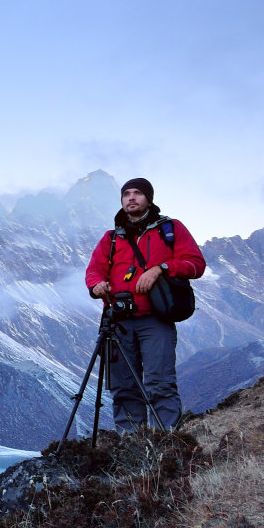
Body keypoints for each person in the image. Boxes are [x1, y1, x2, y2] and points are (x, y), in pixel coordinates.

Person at [84, 178, 207, 430]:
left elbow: (196, 264)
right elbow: (94, 270)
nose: (131, 198)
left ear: (149, 199)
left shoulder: (170, 229)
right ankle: (133, 445)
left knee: (160, 384)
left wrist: (161, 268)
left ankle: (168, 441)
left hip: (156, 318)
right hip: (118, 322)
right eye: (126, 194)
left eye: (137, 193)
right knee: (123, 388)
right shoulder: (111, 238)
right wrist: (96, 285)